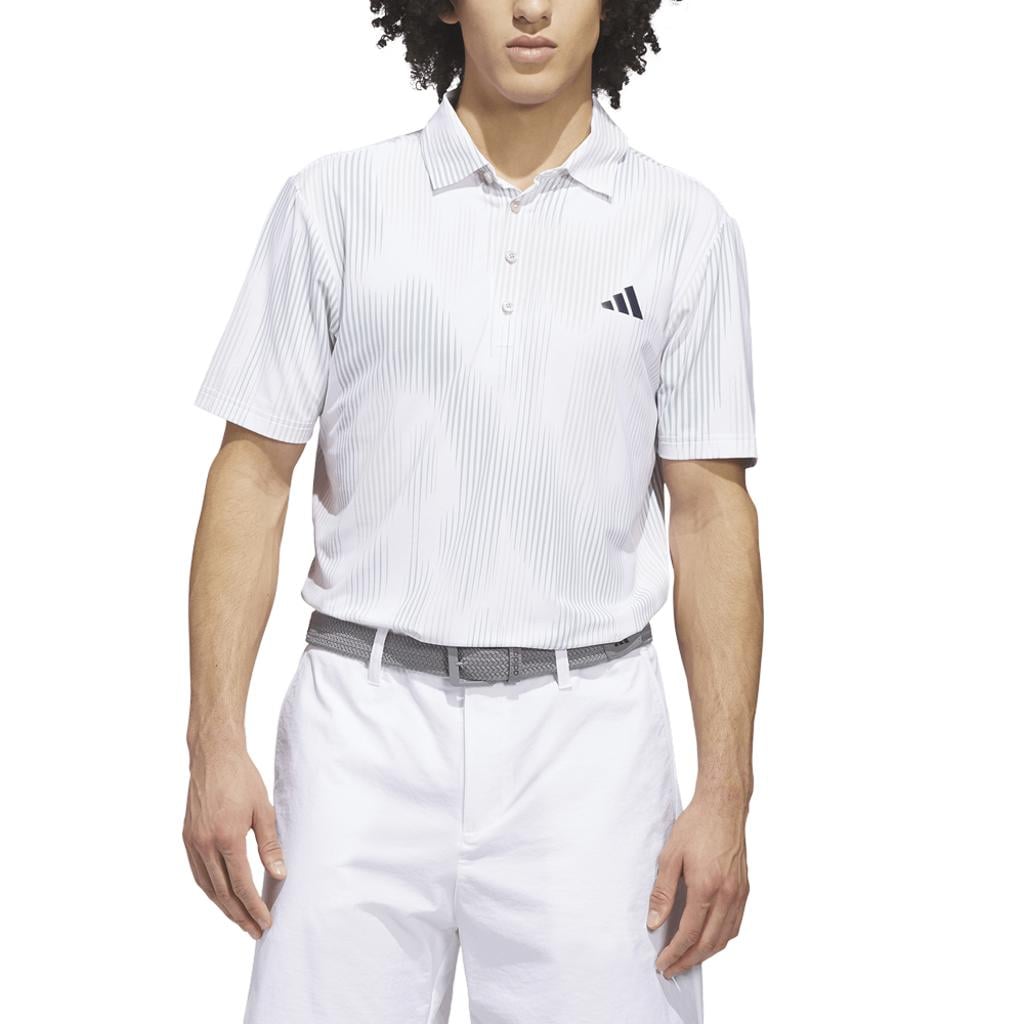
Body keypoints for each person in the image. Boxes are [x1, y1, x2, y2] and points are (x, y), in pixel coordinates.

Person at [183, 2, 762, 1021]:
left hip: (589, 744)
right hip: (360, 729)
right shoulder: (335, 203)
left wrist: (727, 790)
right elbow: (254, 474)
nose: (531, 9)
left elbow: (711, 512)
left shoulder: (685, 226)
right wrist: (212, 742)